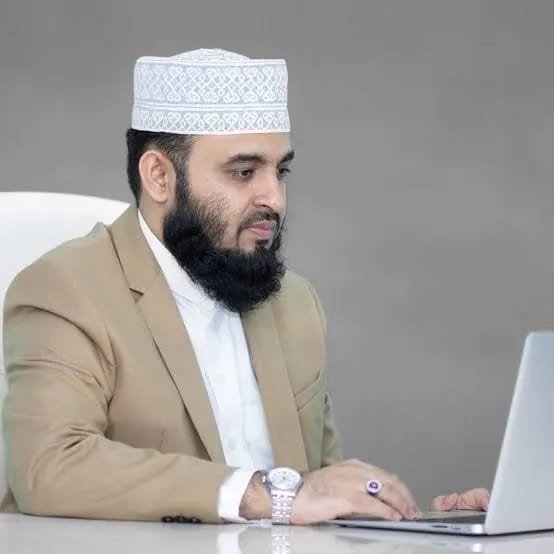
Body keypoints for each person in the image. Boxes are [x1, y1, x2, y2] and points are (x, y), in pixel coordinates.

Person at [0, 48, 489, 524]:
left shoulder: (294, 303)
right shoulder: (66, 290)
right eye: (244, 172)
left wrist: (421, 523)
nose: (274, 198)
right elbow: (49, 466)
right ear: (159, 177)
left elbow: (318, 499)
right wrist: (267, 494)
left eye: (281, 171)